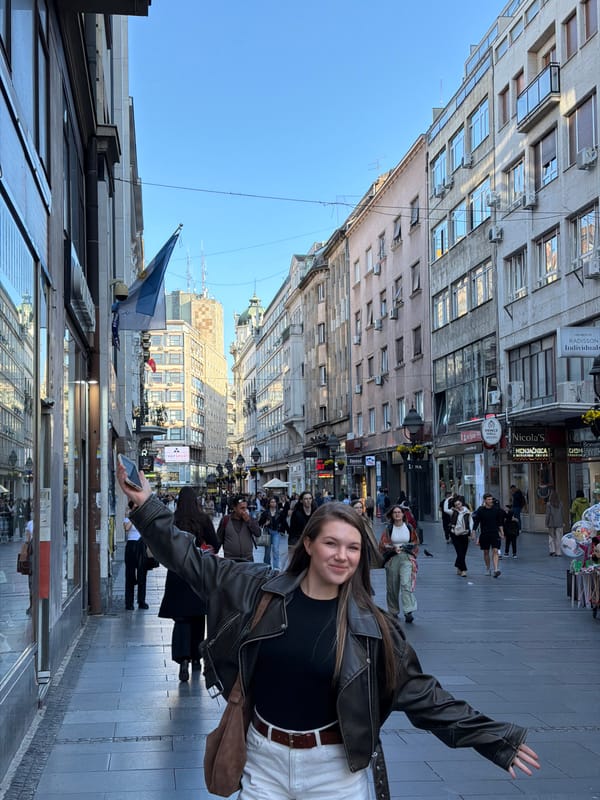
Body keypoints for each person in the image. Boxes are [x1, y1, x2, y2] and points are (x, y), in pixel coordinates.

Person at [117, 466, 540, 800]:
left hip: (334, 771)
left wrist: (495, 740)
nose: (342, 555)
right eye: (332, 544)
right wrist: (147, 506)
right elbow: (192, 561)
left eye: (353, 547)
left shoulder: (373, 627)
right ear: (309, 545)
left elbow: (424, 697)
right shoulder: (256, 589)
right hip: (263, 760)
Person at [159, 486, 219, 682]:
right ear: (195, 501)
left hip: (177, 574)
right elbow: (216, 544)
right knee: (197, 618)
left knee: (181, 619)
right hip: (197, 572)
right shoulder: (202, 520)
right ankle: (196, 658)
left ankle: (182, 659)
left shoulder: (172, 520)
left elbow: (163, 546)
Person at [379, 504, 419, 624]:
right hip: (393, 559)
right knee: (392, 586)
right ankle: (393, 610)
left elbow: (416, 542)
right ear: (392, 515)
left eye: (399, 512)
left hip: (406, 558)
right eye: (395, 512)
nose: (397, 514)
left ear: (403, 514)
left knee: (406, 584)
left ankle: (408, 611)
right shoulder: (389, 528)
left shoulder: (409, 527)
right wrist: (392, 548)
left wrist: (407, 549)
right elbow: (382, 544)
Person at [216, 496, 260, 561]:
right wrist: (214, 552)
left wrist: (249, 521)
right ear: (235, 508)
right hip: (230, 561)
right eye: (242, 508)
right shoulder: (226, 520)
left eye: (246, 508)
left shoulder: (250, 519)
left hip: (247, 559)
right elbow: (219, 539)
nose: (244, 511)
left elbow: (258, 533)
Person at [472, 493, 505, 578]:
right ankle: (488, 568)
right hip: (485, 533)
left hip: (494, 533)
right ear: (485, 500)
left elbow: (499, 522)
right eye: (489, 499)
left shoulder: (496, 509)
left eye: (491, 499)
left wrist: (502, 532)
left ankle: (496, 569)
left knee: (495, 550)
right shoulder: (480, 510)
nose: (491, 501)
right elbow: (476, 522)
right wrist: (473, 532)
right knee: (486, 552)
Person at [123, 501, 148, 610]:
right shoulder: (128, 518)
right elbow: (126, 528)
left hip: (142, 545)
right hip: (131, 545)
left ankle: (141, 601)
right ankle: (129, 603)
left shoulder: (144, 517)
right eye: (135, 507)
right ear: (132, 508)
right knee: (130, 575)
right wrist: (133, 517)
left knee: (142, 574)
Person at [444, 495, 473, 577]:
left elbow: (471, 523)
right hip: (455, 534)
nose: (458, 506)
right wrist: (448, 499)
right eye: (456, 505)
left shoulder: (468, 512)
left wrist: (470, 533)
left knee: (463, 553)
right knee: (459, 552)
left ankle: (458, 566)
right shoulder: (453, 512)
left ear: (462, 503)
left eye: (459, 504)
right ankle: (464, 570)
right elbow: (445, 509)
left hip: (464, 534)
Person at [287, 490, 315, 566]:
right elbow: (292, 529)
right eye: (306, 499)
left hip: (311, 540)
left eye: (310, 498)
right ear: (301, 501)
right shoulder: (296, 513)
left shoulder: (315, 512)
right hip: (298, 540)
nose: (308, 501)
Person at [258, 496, 283, 569]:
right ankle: (267, 566)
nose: (273, 503)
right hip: (267, 532)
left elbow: (283, 522)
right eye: (272, 502)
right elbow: (260, 523)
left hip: (276, 532)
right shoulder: (265, 513)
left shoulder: (279, 512)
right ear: (269, 503)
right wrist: (265, 523)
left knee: (275, 550)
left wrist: (282, 529)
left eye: (274, 502)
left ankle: (276, 568)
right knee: (267, 551)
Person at [545, 490, 565, 557]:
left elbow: (548, 514)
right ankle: (559, 552)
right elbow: (562, 514)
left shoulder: (549, 504)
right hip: (559, 522)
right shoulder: (561, 503)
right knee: (559, 538)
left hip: (551, 522)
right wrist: (563, 521)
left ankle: (552, 551)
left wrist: (546, 523)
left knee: (551, 537)